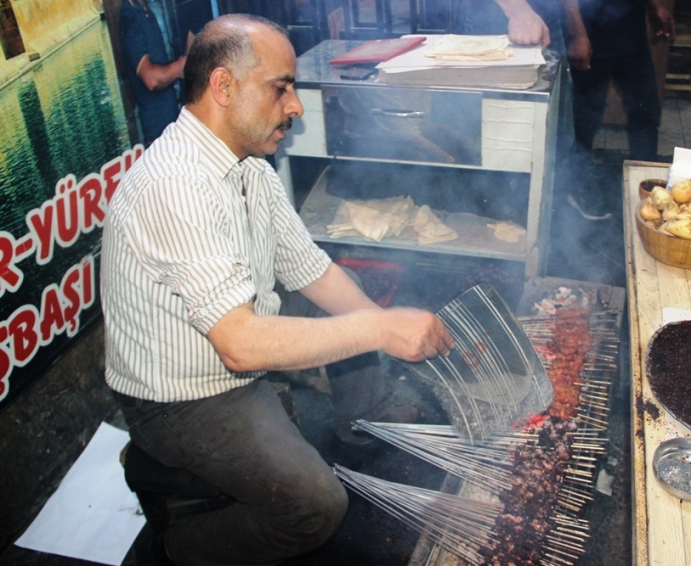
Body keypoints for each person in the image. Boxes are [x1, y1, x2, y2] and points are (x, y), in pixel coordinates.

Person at [101, 13, 454, 565]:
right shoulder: (174, 187)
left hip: (233, 339)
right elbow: (240, 344)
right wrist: (380, 327)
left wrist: (386, 332)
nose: (296, 106)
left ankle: (360, 421)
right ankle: (172, 549)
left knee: (351, 287)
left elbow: (312, 271)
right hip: (183, 396)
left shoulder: (250, 169)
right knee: (316, 506)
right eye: (281, 87)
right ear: (223, 86)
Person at [563, 0, 676, 220]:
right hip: (589, 33)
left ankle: (647, 189)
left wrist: (654, 6)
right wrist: (578, 35)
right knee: (585, 118)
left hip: (631, 33)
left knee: (646, 112)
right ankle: (579, 188)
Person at [119, 0, 191, 145]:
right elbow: (150, 79)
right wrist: (179, 67)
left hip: (173, 127)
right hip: (157, 136)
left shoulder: (147, 10)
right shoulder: (129, 18)